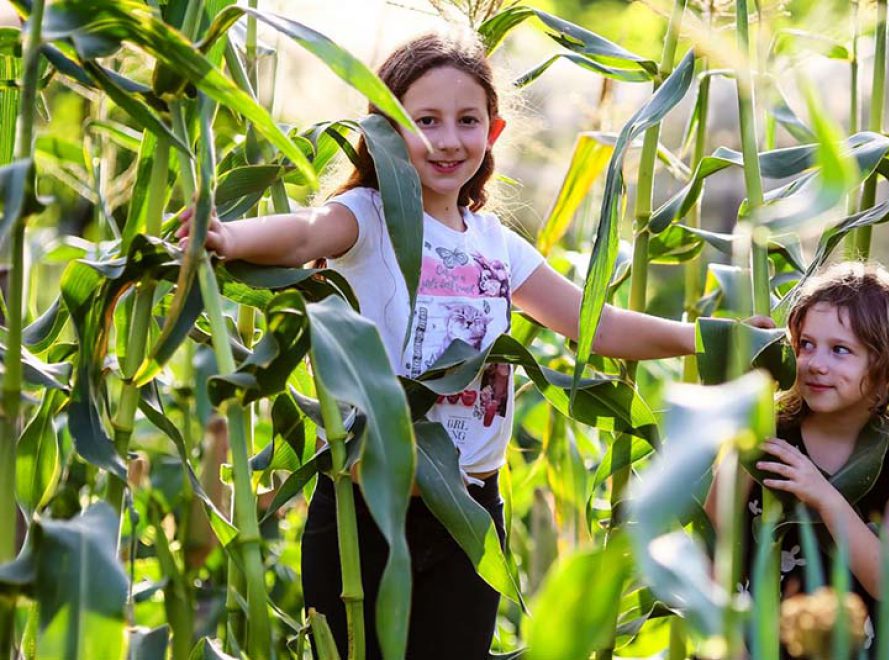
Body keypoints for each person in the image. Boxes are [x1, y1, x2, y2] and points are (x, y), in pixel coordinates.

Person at [178, 29, 767, 660]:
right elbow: (303, 234)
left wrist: (712, 340)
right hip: (364, 510)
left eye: (467, 120)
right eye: (423, 119)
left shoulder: (496, 245)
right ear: (384, 130)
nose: (447, 139)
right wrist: (230, 237)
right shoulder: (367, 218)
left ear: (493, 131)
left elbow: (598, 325)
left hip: (469, 512)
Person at [716, 261, 889, 657]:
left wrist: (823, 495)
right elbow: (718, 523)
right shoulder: (769, 431)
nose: (815, 363)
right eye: (806, 345)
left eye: (840, 350)